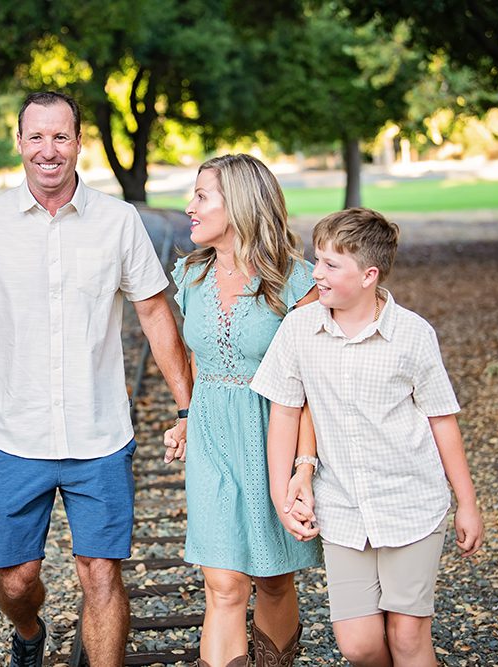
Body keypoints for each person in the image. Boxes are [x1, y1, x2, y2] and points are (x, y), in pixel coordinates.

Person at [0, 91, 193, 667]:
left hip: (100, 437)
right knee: (16, 582)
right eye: (37, 137)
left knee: (100, 573)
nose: (49, 150)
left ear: (78, 144)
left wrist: (187, 408)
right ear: (19, 143)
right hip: (15, 435)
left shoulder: (118, 222)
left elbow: (153, 313)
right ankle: (27, 633)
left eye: (61, 137)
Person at [251, 207, 485, 666]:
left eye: (330, 265)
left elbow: (442, 419)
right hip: (341, 508)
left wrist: (468, 502)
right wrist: (283, 491)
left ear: (368, 275)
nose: (315, 273)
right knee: (358, 645)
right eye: (316, 260)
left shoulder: (413, 335)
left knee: (407, 639)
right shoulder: (300, 329)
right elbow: (285, 410)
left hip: (411, 504)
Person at [163, 154, 322, 667]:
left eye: (202, 196)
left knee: (274, 578)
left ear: (239, 205)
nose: (190, 207)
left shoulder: (299, 283)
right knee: (223, 583)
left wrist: (303, 466)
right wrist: (185, 417)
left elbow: (313, 389)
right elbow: (194, 355)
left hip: (272, 436)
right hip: (211, 435)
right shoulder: (189, 276)